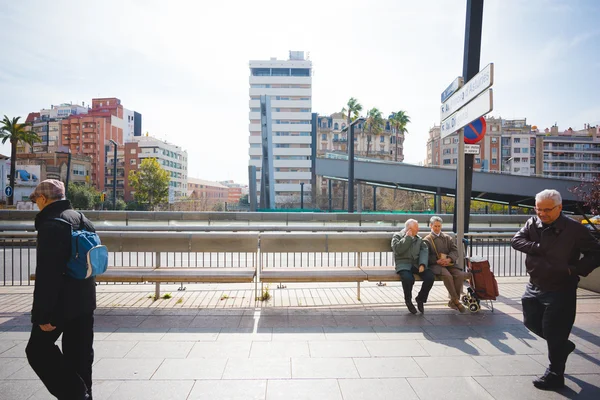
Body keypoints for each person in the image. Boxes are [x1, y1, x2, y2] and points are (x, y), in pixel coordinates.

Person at [512, 189, 600, 390]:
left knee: (555, 330)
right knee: (531, 322)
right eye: (538, 209)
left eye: (547, 210)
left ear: (559, 208)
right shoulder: (532, 223)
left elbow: (596, 253)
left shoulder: (575, 229)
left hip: (561, 288)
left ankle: (555, 374)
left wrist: (575, 270)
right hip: (534, 285)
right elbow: (516, 240)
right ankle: (563, 345)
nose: (542, 214)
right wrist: (536, 246)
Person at [25, 179, 96, 400]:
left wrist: (42, 315)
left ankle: (76, 394)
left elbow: (48, 274)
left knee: (37, 351)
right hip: (84, 300)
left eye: (36, 200)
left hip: (60, 304)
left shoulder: (52, 224)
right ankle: (84, 395)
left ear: (44, 199)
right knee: (80, 356)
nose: (36, 205)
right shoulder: (82, 220)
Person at [423, 216, 468, 313]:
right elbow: (425, 256)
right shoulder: (427, 240)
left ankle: (453, 301)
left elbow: (455, 251)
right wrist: (436, 261)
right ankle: (456, 300)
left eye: (439, 226)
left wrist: (449, 259)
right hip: (435, 265)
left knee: (460, 275)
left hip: (449, 264)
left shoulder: (447, 237)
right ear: (431, 226)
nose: (437, 228)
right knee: (447, 276)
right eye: (435, 226)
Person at [392, 219, 435, 314]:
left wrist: (422, 264)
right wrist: (408, 238)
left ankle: (420, 299)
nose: (418, 231)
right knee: (408, 279)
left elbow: (424, 250)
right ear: (409, 229)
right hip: (403, 264)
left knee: (430, 277)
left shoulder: (418, 238)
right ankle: (408, 301)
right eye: (416, 229)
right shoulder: (397, 236)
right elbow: (398, 250)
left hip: (416, 264)